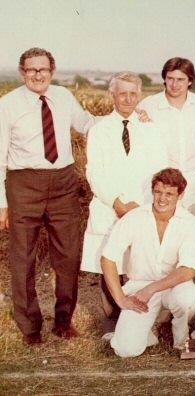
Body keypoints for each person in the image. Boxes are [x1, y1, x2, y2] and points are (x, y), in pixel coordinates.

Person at [0, 47, 95, 344]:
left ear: (52, 71)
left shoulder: (63, 96)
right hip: (23, 183)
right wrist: (2, 204)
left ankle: (64, 321)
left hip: (63, 183)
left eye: (43, 69)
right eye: (31, 70)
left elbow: (87, 124)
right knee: (22, 259)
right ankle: (30, 327)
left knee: (68, 255)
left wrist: (124, 119)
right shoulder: (7, 105)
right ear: (22, 72)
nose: (37, 75)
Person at [81, 72, 168, 337]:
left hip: (142, 206)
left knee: (140, 263)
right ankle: (112, 318)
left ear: (139, 95)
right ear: (112, 95)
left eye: (133, 93)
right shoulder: (99, 130)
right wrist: (117, 202)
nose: (127, 99)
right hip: (110, 207)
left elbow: (160, 169)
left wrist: (142, 205)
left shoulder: (151, 129)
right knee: (110, 262)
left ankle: (142, 317)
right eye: (122, 93)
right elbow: (94, 172)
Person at [100, 168, 195, 358]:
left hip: (174, 284)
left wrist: (152, 288)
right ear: (152, 191)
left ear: (181, 195)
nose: (162, 199)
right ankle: (146, 331)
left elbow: (188, 269)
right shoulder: (134, 217)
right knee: (125, 350)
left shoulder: (189, 221)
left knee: (187, 300)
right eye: (158, 192)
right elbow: (107, 258)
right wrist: (120, 298)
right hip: (140, 287)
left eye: (169, 194)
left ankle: (181, 338)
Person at [138, 57, 195, 218]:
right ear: (164, 79)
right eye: (170, 78)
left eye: (180, 79)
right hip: (160, 182)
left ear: (190, 81)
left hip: (193, 181)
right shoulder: (148, 105)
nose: (174, 84)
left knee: (193, 231)